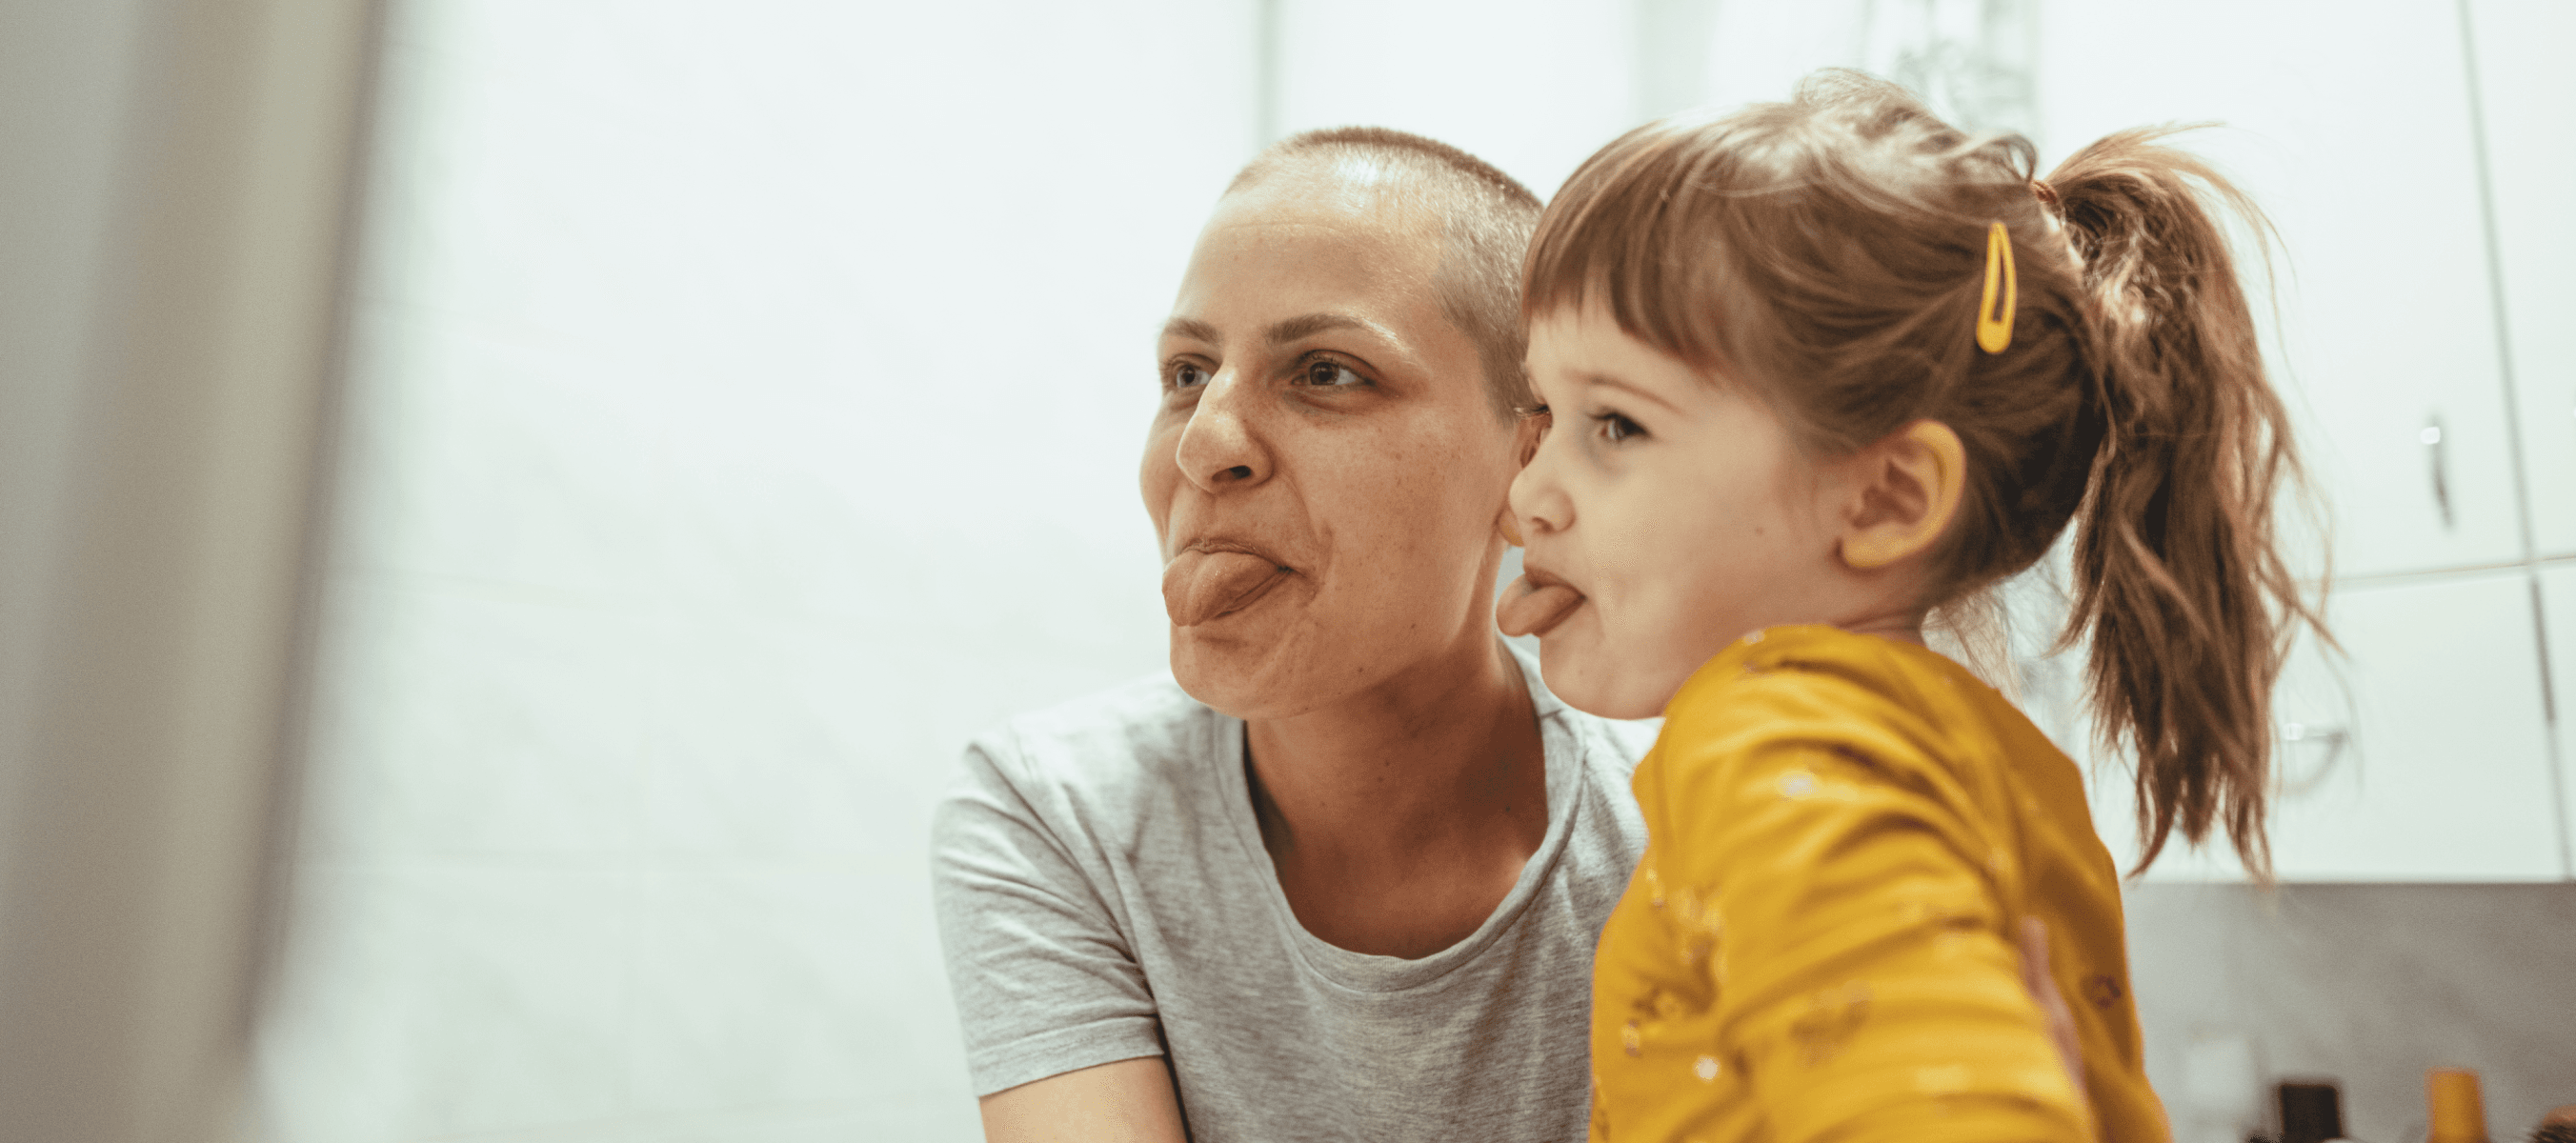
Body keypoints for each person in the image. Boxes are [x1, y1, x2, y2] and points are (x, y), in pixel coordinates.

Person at [1496, 71, 2324, 1142]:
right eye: (1543, 411)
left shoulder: (1776, 735)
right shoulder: (1972, 749)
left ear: (1886, 500)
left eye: (1615, 426)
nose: (1526, 495)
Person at [931, 127, 1658, 1143]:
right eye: (1186, 373)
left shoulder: (1696, 836)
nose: (1204, 443)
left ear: (1527, 466)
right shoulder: (1060, 810)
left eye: (1325, 373)